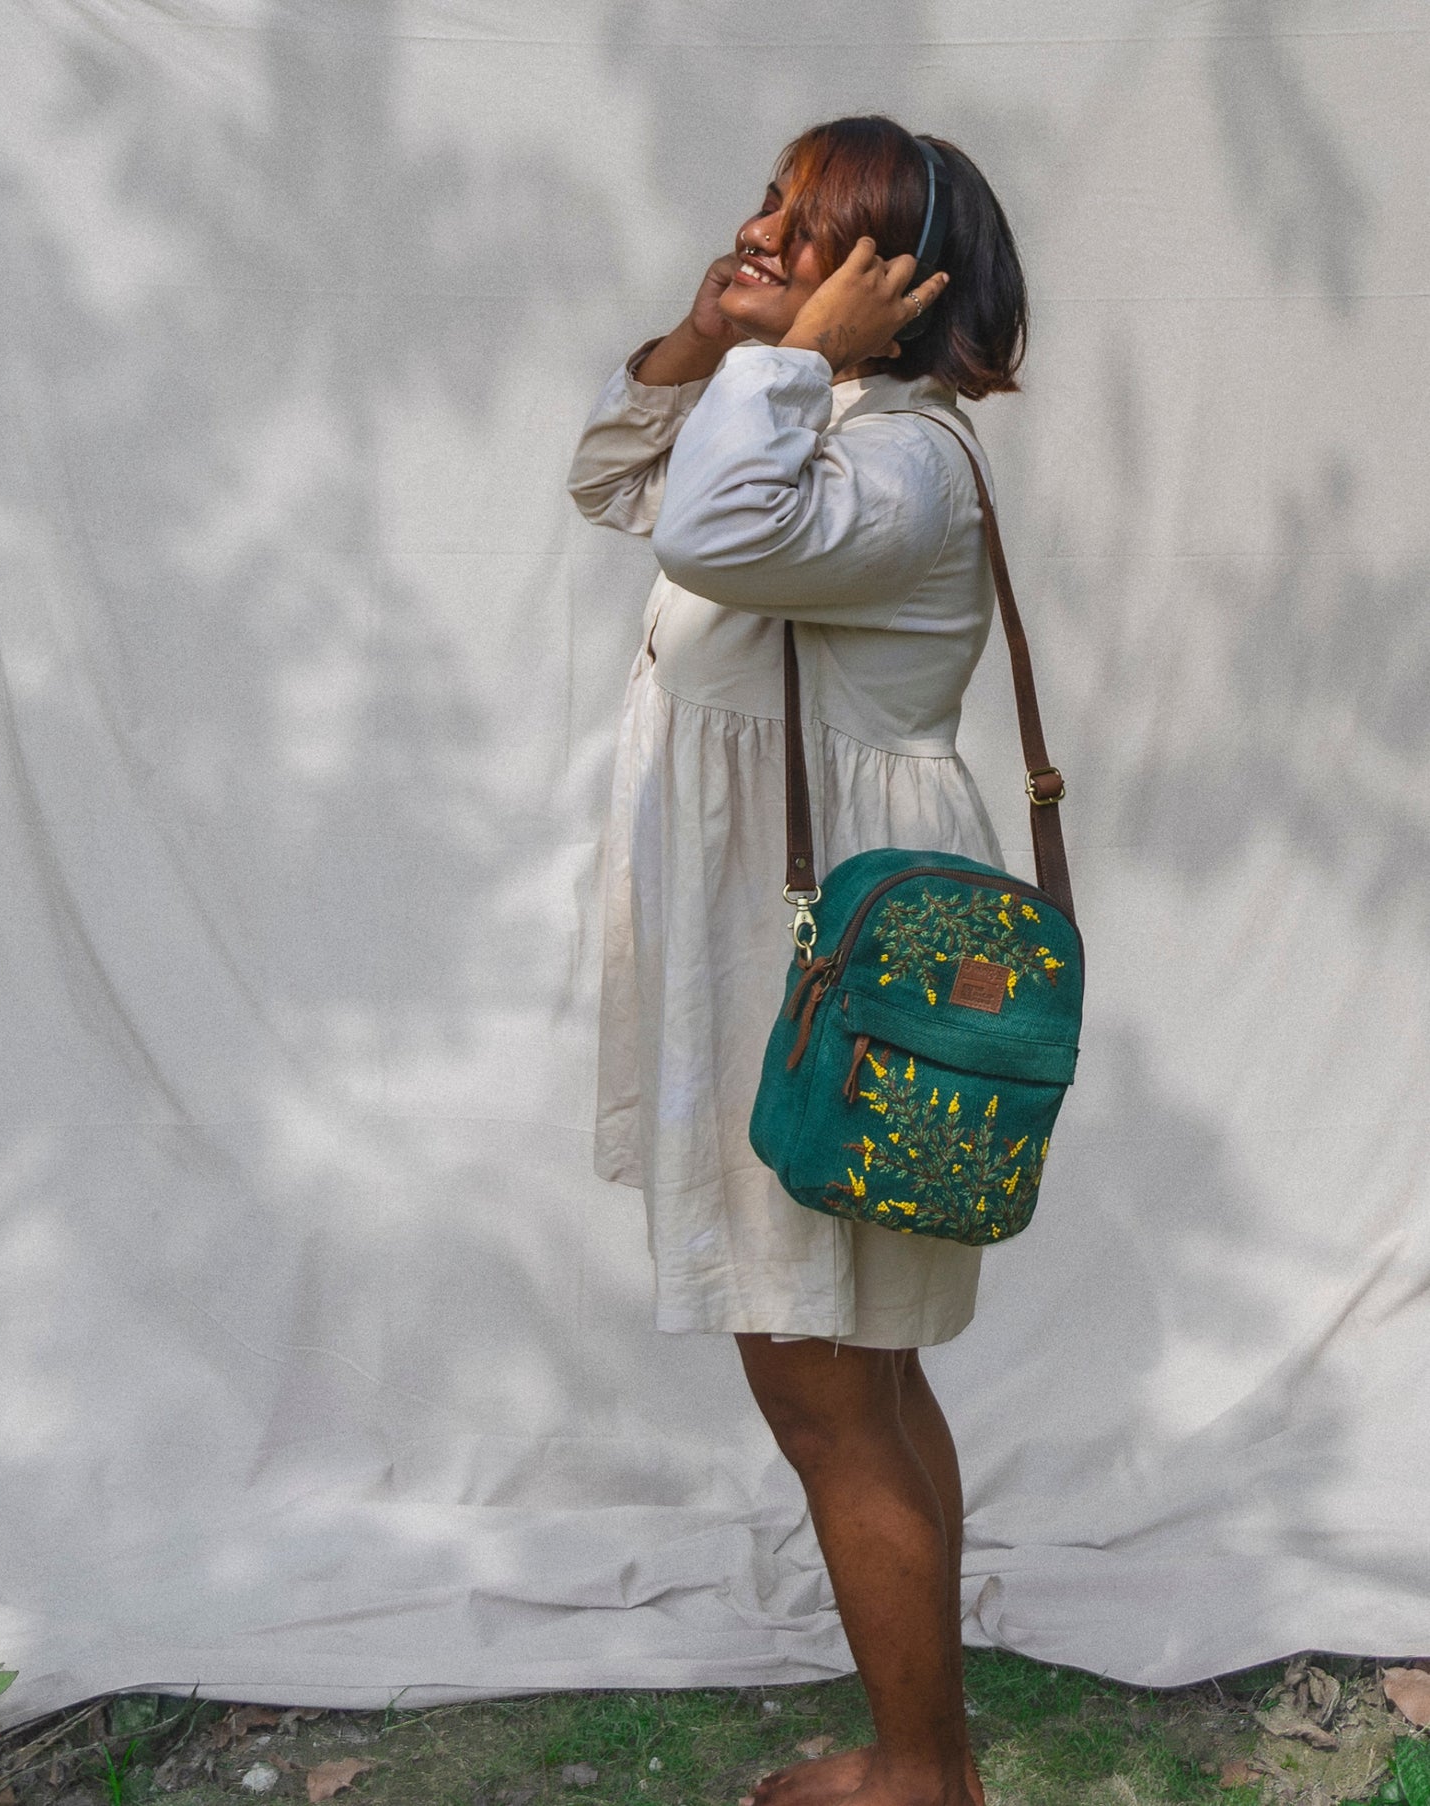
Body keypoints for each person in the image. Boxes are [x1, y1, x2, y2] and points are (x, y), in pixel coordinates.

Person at [567, 113, 1030, 1806]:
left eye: (811, 231)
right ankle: (931, 1757)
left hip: (832, 978)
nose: (761, 235)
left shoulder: (889, 462)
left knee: (826, 1388)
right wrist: (715, 341)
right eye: (764, 204)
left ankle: (919, 1774)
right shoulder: (801, 421)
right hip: (786, 952)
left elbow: (707, 535)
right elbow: (619, 478)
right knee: (856, 1371)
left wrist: (783, 366)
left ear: (900, 295)